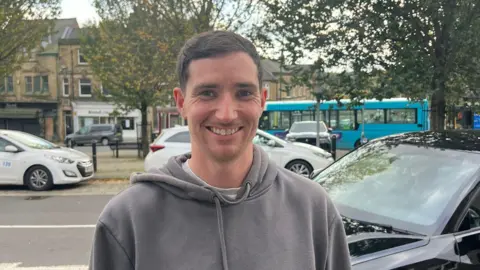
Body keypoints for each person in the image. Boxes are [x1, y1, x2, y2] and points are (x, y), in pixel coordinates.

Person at [88, 30, 351, 270]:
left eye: (244, 93)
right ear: (181, 103)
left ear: (263, 101)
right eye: (208, 93)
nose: (226, 114)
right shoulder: (126, 220)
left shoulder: (312, 208)